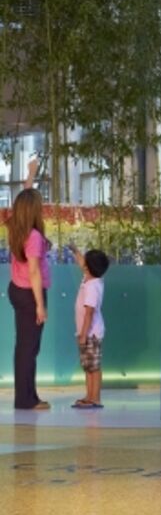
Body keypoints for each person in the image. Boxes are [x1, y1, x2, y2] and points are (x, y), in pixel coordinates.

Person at [8, 162, 50, 412]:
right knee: (28, 348)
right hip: (29, 293)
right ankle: (25, 399)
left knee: (25, 347)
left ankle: (28, 396)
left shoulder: (16, 226)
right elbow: (34, 271)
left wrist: (31, 175)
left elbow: (24, 197)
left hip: (18, 290)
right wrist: (40, 305)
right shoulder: (33, 236)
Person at [72, 248, 110, 410]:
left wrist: (83, 334)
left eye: (85, 263)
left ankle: (96, 398)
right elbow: (82, 263)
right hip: (86, 333)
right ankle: (89, 396)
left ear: (89, 267)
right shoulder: (89, 278)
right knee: (88, 366)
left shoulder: (92, 286)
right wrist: (75, 251)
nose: (83, 265)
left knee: (94, 367)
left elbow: (89, 313)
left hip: (91, 333)